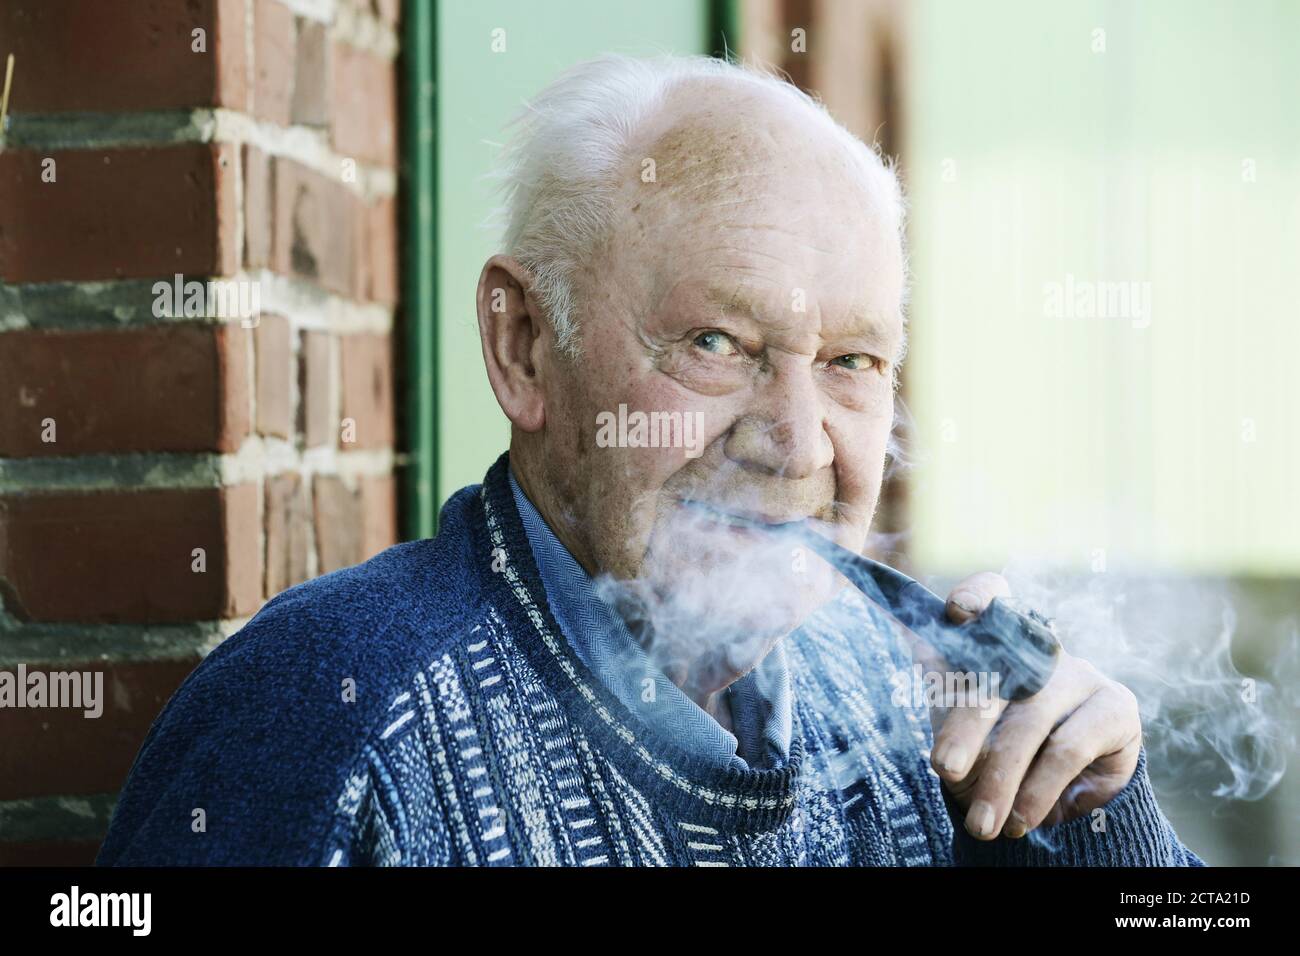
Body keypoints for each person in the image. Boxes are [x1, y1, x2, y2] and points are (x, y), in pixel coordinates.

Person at [98, 53, 1203, 867]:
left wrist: (1106, 817)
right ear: (525, 346)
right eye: (717, 343)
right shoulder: (321, 722)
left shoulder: (920, 708)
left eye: (854, 360)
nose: (796, 440)